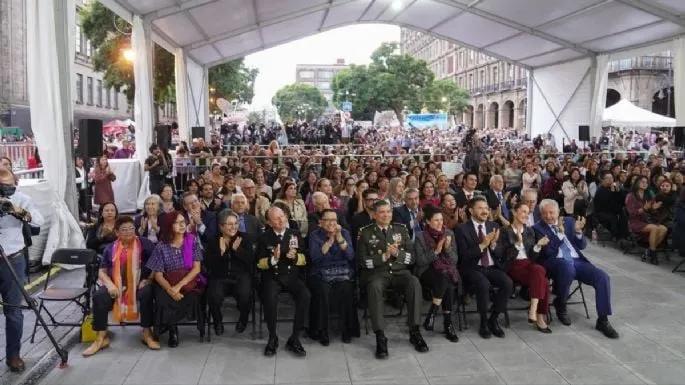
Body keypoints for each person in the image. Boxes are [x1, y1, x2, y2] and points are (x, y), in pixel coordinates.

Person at [533, 199, 619, 339]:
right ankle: (561, 304)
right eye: (544, 213)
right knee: (567, 268)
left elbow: (582, 245)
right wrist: (560, 234)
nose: (548, 216)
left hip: (577, 260)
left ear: (558, 211)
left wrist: (578, 232)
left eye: (551, 212)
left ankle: (603, 320)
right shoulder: (537, 228)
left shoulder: (569, 221)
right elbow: (548, 251)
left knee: (602, 277)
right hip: (555, 261)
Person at [357, 200, 428, 359]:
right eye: (382, 212)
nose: (386, 215)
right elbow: (363, 261)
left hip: (399, 272)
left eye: (388, 211)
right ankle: (380, 336)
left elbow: (411, 259)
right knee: (374, 287)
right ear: (374, 215)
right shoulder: (365, 233)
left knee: (414, 283)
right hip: (378, 273)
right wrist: (384, 256)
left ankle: (414, 330)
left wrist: (397, 255)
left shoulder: (401, 230)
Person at [82, 216, 159, 356]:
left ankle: (147, 333)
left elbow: (156, 264)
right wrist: (110, 284)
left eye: (131, 228)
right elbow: (102, 271)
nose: (129, 232)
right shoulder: (110, 248)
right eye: (124, 230)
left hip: (140, 283)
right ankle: (101, 337)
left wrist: (148, 279)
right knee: (99, 296)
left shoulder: (145, 244)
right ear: (117, 232)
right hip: (116, 284)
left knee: (146, 294)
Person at [0, 167, 44, 372]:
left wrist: (17, 210)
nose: (5, 190)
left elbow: (38, 221)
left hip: (12, 257)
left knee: (13, 309)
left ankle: (13, 355)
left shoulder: (22, 198)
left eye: (9, 186)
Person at [454, 196, 512, 339]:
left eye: (486, 208)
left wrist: (493, 245)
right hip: (472, 267)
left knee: (507, 283)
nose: (485, 211)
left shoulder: (493, 226)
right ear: (471, 210)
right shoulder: (461, 229)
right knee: (483, 284)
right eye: (480, 208)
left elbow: (500, 252)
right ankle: (483, 322)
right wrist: (482, 245)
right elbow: (463, 256)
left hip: (491, 266)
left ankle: (493, 319)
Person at [146, 211, 206, 347]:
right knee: (163, 299)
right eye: (177, 223)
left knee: (191, 297)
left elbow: (196, 269)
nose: (181, 225)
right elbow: (158, 274)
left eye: (183, 222)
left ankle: (169, 324)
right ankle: (173, 330)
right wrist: (171, 290)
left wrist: (178, 287)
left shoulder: (192, 241)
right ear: (169, 225)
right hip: (167, 282)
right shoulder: (161, 246)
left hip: (188, 282)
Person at [256, 207, 310, 357]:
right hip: (273, 277)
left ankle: (295, 338)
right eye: (276, 218)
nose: (281, 220)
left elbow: (305, 259)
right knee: (269, 297)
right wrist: (273, 259)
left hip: (292, 276)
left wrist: (294, 257)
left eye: (282, 216)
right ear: (269, 222)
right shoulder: (264, 238)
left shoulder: (295, 234)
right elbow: (259, 264)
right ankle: (273, 337)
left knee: (305, 295)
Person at [307, 209, 358, 345]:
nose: (331, 223)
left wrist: (340, 238)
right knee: (322, 290)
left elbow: (350, 256)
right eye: (328, 220)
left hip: (342, 271)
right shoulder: (314, 235)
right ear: (320, 222)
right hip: (320, 271)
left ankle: (346, 329)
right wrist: (330, 241)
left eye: (334, 220)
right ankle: (322, 331)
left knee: (346, 288)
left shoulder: (345, 233)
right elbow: (316, 258)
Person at [501, 202, 552, 333]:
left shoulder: (530, 231)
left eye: (528, 213)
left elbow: (533, 257)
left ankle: (533, 310)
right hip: (513, 265)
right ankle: (539, 317)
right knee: (544, 280)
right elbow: (504, 256)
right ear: (514, 212)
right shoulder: (504, 231)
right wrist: (517, 244)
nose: (526, 215)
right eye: (523, 211)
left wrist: (538, 245)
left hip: (528, 264)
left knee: (540, 271)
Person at [413, 205, 460, 342]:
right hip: (426, 271)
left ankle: (435, 316)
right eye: (436, 220)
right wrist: (436, 252)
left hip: (446, 272)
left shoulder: (449, 234)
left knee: (447, 281)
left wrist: (447, 249)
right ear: (427, 221)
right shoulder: (420, 237)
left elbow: (455, 260)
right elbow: (420, 262)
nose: (440, 223)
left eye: (441, 220)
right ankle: (447, 324)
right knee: (445, 278)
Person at [204, 209, 255, 335]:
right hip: (219, 276)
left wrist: (237, 250)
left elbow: (252, 261)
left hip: (240, 275)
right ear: (221, 226)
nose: (234, 227)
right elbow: (208, 264)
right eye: (230, 224)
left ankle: (243, 319)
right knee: (213, 296)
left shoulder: (245, 238)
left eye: (236, 223)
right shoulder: (213, 240)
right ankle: (217, 321)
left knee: (245, 296)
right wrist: (220, 252)